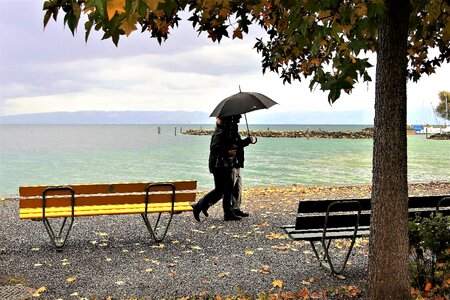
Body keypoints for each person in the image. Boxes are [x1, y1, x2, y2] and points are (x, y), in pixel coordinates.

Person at [192, 117, 242, 221]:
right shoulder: (220, 132)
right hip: (219, 165)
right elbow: (214, 149)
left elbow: (234, 144)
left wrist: (246, 142)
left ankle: (223, 211)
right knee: (222, 190)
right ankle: (200, 205)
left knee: (225, 190)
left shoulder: (225, 131)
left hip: (223, 165)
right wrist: (227, 152)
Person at [230, 114, 254, 217]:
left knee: (237, 187)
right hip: (233, 162)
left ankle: (236, 208)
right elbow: (236, 144)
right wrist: (247, 141)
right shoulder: (230, 130)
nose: (240, 118)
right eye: (238, 116)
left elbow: (237, 143)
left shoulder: (234, 129)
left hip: (237, 162)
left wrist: (247, 141)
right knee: (232, 187)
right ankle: (202, 205)